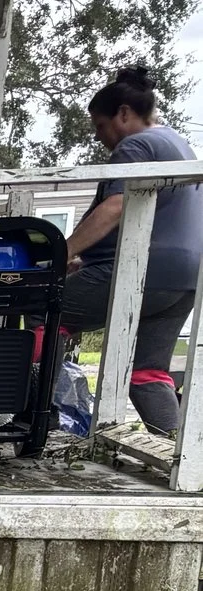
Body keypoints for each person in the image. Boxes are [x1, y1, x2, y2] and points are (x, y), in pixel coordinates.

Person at [64, 65, 200, 435]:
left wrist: (64, 253)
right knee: (148, 373)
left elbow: (116, 206)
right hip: (185, 281)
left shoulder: (135, 145)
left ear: (124, 113)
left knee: (45, 309)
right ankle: (180, 458)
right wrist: (88, 258)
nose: (98, 136)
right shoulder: (176, 142)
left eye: (100, 126)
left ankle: (35, 420)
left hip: (143, 273)